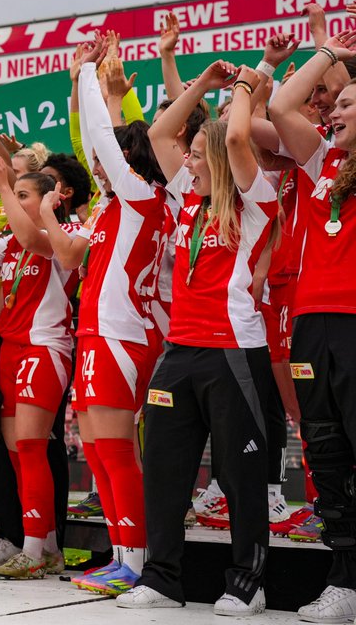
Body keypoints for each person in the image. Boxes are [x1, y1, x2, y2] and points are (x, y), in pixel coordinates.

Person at [118, 59, 278, 615]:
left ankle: (247, 583)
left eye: (193, 155)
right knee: (163, 468)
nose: (181, 160)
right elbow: (161, 131)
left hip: (235, 352)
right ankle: (162, 578)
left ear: (213, 159)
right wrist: (202, 86)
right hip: (179, 352)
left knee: (239, 475)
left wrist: (244, 83)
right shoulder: (189, 196)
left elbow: (235, 134)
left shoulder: (255, 203)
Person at [43, 34, 168, 595]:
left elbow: (98, 134)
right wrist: (86, 83)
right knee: (96, 446)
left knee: (116, 448)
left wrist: (85, 74)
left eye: (108, 160)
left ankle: (136, 560)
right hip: (99, 332)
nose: (97, 165)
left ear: (129, 160)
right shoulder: (115, 206)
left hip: (121, 336)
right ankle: (122, 553)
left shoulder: (142, 198)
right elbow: (95, 136)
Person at [0, 154, 76, 580]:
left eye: (24, 195)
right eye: (15, 194)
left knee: (31, 448)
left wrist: (4, 184)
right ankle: (49, 548)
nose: (13, 201)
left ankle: (34, 549)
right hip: (8, 351)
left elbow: (35, 239)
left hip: (45, 347)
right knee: (16, 455)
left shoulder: (66, 234)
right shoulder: (11, 243)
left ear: (50, 202)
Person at [269, 28, 356, 623]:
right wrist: (331, 52)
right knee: (324, 455)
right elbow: (277, 106)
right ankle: (344, 581)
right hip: (310, 324)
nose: (336, 109)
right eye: (339, 103)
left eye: (348, 103)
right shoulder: (325, 159)